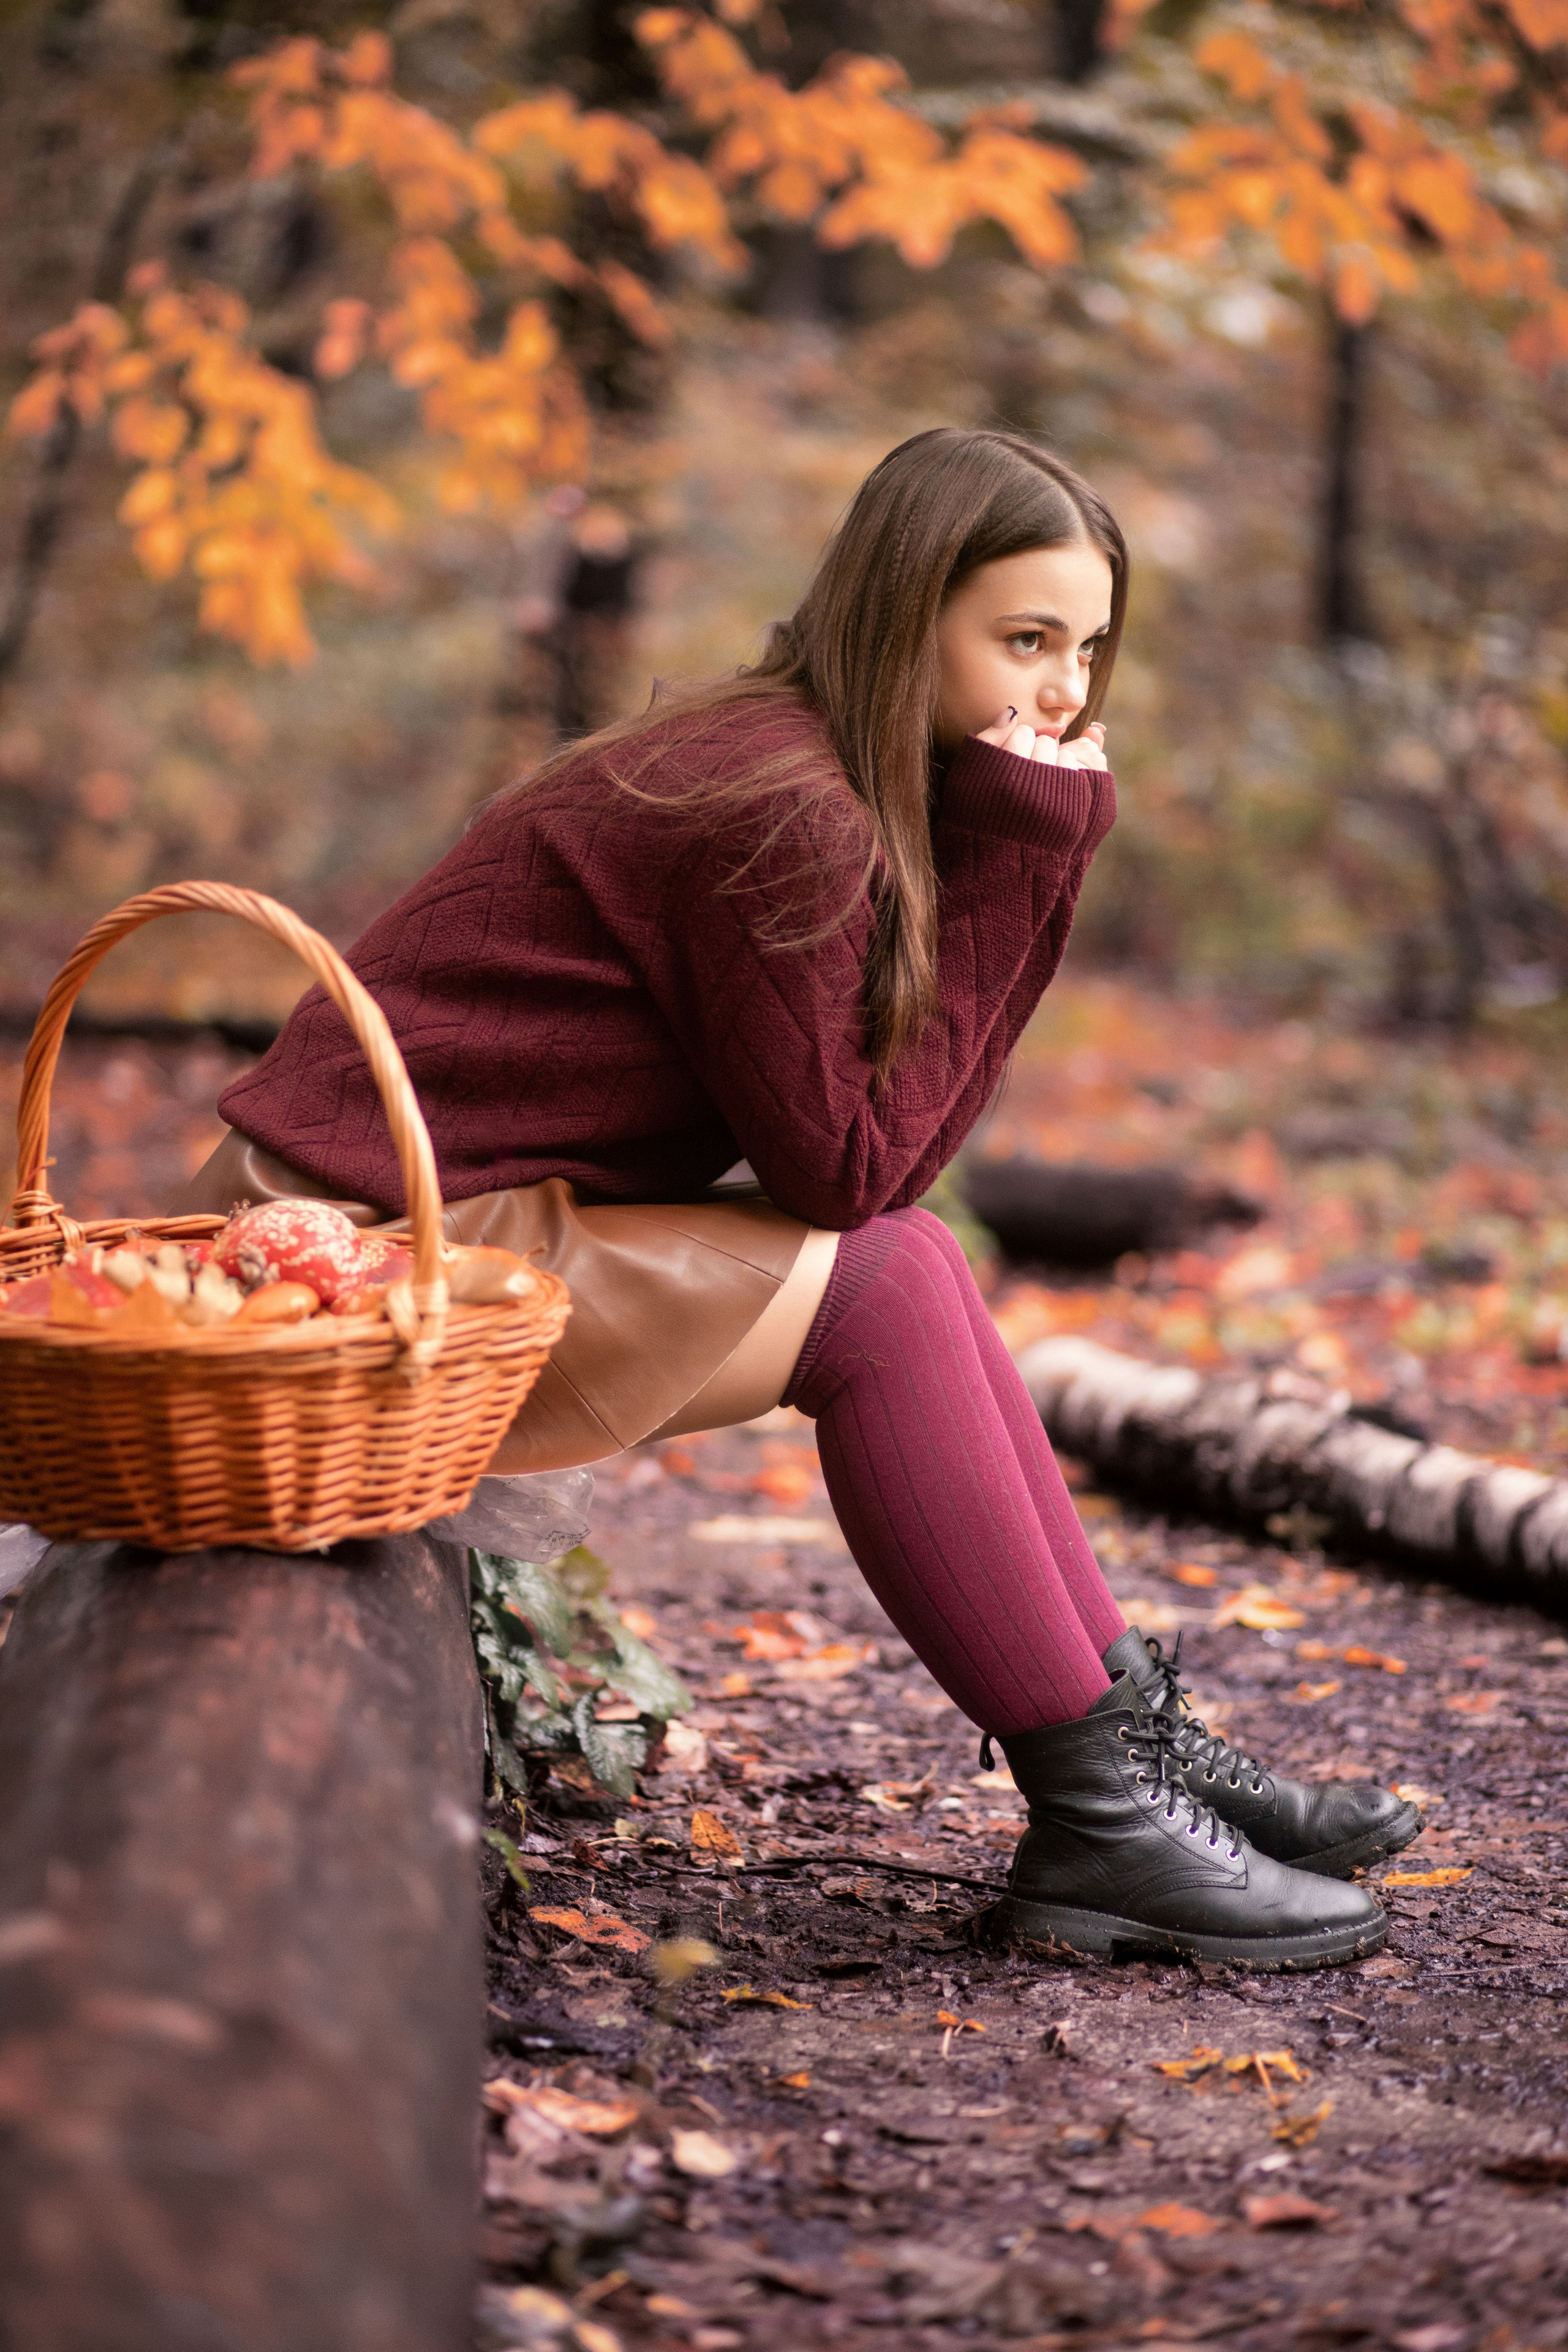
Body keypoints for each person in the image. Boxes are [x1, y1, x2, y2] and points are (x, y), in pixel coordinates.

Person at [180, 427, 1418, 1970]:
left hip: (446, 1213)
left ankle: (1129, 1761)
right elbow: (853, 1169)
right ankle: (1105, 1822)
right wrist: (1027, 863)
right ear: (908, 615)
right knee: (886, 1288)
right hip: (344, 1256)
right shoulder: (778, 806)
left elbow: (886, 1157)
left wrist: (1002, 845)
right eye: (1022, 641)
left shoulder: (820, 760)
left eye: (1084, 652)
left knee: (912, 1268)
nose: (1060, 694)